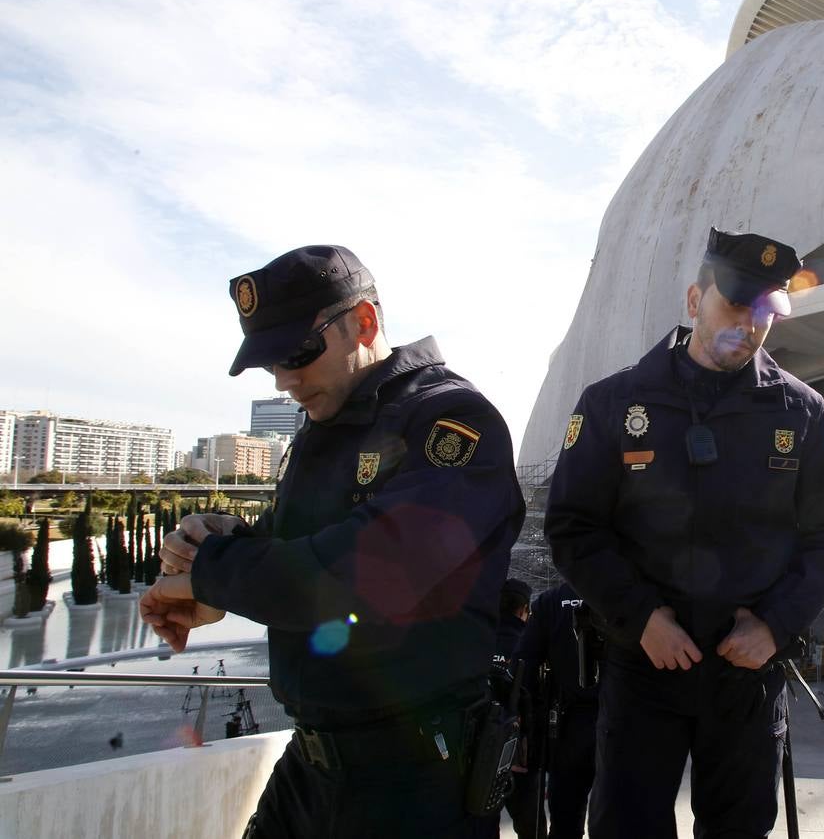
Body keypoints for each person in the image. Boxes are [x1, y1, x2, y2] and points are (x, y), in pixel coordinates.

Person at [139, 245, 524, 838]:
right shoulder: (324, 429)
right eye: (272, 363)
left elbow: (370, 574)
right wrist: (216, 559)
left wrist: (215, 570)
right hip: (314, 766)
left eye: (298, 353)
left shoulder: (452, 421)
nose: (287, 380)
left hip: (414, 776)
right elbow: (295, 546)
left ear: (365, 322)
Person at [544, 228, 824, 839]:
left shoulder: (799, 412)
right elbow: (573, 527)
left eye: (764, 309)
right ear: (694, 301)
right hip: (643, 668)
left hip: (745, 676)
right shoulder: (614, 403)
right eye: (734, 303)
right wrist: (641, 619)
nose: (750, 322)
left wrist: (772, 626)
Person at [513, 581, 600, 839]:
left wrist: (523, 723)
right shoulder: (625, 593)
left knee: (565, 818)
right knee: (622, 813)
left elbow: (523, 666)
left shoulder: (550, 602)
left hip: (568, 724)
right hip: (620, 717)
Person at [474, 578, 541, 839]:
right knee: (530, 825)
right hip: (520, 752)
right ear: (524, 609)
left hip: (480, 752)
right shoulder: (529, 644)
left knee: (482, 821)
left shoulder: (477, 642)